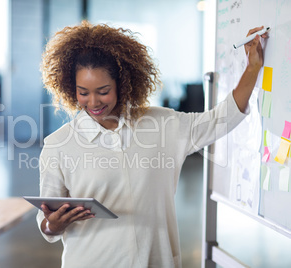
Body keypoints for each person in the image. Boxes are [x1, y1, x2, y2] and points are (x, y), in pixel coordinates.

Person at [36, 21, 267, 268]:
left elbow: (220, 120)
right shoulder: (58, 145)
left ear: (122, 84)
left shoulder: (162, 125)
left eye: (103, 91)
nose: (93, 102)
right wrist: (53, 225)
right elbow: (46, 219)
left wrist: (252, 68)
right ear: (72, 90)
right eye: (83, 92)